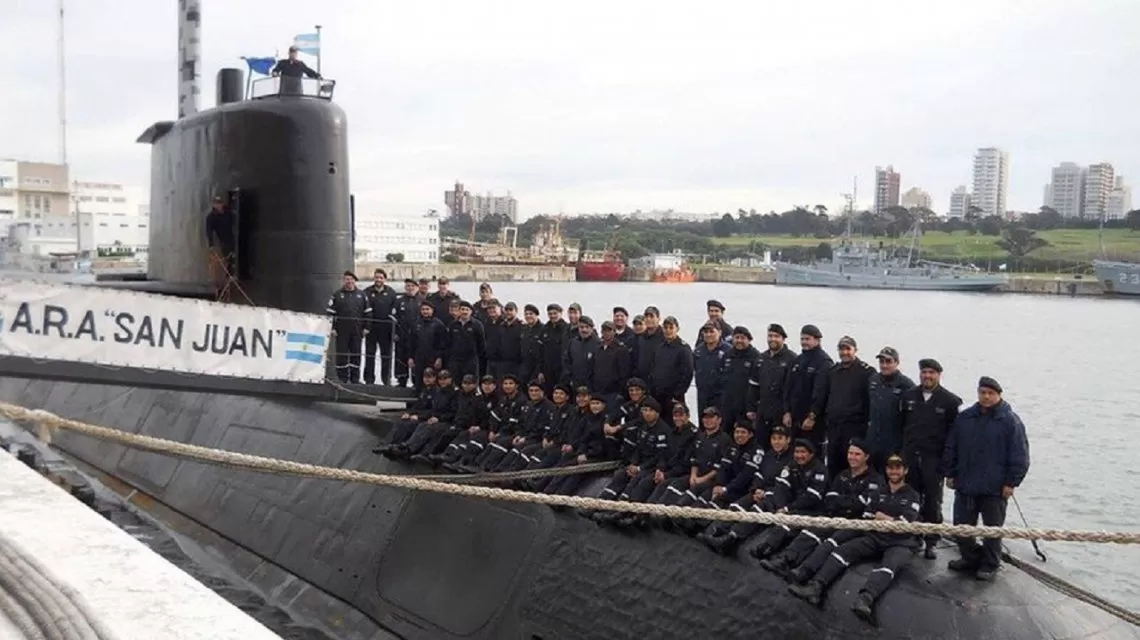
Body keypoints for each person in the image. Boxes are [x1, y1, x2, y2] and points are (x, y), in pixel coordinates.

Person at [786, 453, 923, 623]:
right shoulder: (878, 492)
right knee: (842, 551)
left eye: (898, 468)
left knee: (889, 565)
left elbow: (905, 523)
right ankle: (816, 587)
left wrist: (882, 517)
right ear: (887, 470)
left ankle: (865, 598)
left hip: (900, 543)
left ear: (905, 471)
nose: (894, 472)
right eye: (891, 468)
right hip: (875, 536)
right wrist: (886, 520)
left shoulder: (913, 495)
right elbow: (867, 516)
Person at [943, 376, 1030, 581]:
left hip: (994, 487)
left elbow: (1020, 455)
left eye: (990, 393)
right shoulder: (965, 418)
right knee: (961, 527)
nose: (986, 397)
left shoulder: (1010, 422)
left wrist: (1011, 482)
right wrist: (950, 472)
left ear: (999, 395)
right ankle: (970, 558)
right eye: (983, 393)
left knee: (991, 530)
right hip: (966, 484)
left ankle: (990, 564)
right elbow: (951, 446)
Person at [758, 438, 882, 571]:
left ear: (866, 457)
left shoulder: (875, 480)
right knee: (810, 531)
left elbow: (860, 505)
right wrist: (848, 501)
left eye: (857, 454)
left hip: (855, 523)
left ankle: (803, 571)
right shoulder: (843, 475)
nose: (852, 457)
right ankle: (785, 560)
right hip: (833, 517)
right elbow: (829, 500)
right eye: (850, 453)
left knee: (828, 541)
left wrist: (841, 500)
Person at [900, 357, 961, 559]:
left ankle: (931, 541)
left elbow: (954, 436)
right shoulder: (909, 396)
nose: (927, 376)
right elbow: (902, 427)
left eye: (931, 373)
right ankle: (914, 536)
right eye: (924, 372)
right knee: (912, 497)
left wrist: (949, 465)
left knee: (933, 501)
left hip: (933, 458)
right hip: (911, 457)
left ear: (938, 375)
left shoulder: (950, 401)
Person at [808, 335, 874, 480]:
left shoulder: (866, 372)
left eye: (848, 349)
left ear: (855, 350)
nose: (844, 352)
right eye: (841, 349)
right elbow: (823, 396)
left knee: (852, 464)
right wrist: (813, 414)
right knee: (832, 463)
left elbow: (871, 401)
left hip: (854, 427)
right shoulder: (833, 371)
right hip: (834, 427)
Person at [866, 346, 916, 471]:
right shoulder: (873, 380)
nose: (884, 365)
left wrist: (904, 450)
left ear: (897, 363)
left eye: (888, 362)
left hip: (894, 444)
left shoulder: (906, 385)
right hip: (873, 442)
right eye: (881, 362)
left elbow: (911, 420)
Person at [782, 324, 833, 445]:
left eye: (807, 339)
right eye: (802, 339)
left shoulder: (824, 362)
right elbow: (788, 387)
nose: (804, 342)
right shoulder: (797, 360)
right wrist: (786, 411)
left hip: (812, 421)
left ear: (817, 340)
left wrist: (812, 416)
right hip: (794, 418)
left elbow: (821, 392)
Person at [748, 323, 796, 445]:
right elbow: (754, 386)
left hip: (781, 412)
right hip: (763, 411)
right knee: (760, 443)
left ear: (783, 339)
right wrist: (751, 408)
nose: (772, 339)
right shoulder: (761, 359)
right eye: (770, 336)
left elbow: (793, 390)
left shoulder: (792, 359)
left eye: (776, 336)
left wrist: (788, 412)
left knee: (780, 444)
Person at [326, 271, 371, 383]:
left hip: (357, 330)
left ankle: (355, 379)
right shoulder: (337, 295)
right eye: (347, 279)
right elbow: (330, 313)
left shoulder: (362, 295)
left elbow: (368, 313)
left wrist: (367, 328)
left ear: (354, 281)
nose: (349, 281)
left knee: (356, 354)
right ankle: (343, 379)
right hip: (341, 330)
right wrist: (332, 328)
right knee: (342, 354)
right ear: (344, 280)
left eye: (351, 279)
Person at [717, 326, 761, 432]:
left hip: (745, 406)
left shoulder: (756, 357)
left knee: (744, 434)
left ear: (749, 340)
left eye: (742, 338)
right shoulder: (727, 355)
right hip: (727, 405)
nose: (739, 341)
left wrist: (753, 407)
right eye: (737, 338)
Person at [648, 316, 694, 411]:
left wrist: (678, 394)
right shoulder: (659, 347)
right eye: (665, 328)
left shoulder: (683, 348)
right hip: (658, 395)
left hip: (674, 397)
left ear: (677, 329)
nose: (668, 330)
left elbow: (688, 374)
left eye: (671, 327)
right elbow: (653, 369)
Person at [362, 269, 398, 385]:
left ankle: (386, 380)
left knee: (386, 357)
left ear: (384, 279)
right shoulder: (366, 292)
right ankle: (369, 380)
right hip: (371, 329)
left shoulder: (391, 293)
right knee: (369, 355)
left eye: (381, 277)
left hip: (385, 330)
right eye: (376, 277)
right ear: (374, 278)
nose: (378, 280)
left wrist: (393, 331)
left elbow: (394, 312)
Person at [692, 323, 730, 414]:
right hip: (703, 395)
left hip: (720, 397)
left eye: (711, 331)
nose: (708, 334)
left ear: (720, 332)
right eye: (706, 332)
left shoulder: (728, 351)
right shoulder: (698, 351)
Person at [409, 300, 448, 390]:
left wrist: (439, 358)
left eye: (427, 309)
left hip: (433, 358)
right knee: (418, 381)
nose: (425, 311)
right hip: (419, 357)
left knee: (433, 382)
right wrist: (410, 357)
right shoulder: (416, 323)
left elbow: (442, 343)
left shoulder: (439, 324)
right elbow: (411, 342)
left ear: (432, 310)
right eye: (423, 309)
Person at [591, 321, 631, 403]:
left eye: (609, 330)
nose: (607, 333)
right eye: (604, 330)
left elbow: (624, 373)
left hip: (613, 392)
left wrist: (620, 393)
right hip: (597, 391)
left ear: (614, 331)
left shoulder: (621, 349)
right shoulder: (597, 348)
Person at [392, 279, 423, 387]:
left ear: (417, 288)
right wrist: (395, 333)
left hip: (416, 336)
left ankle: (416, 381)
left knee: (416, 358)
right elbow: (394, 319)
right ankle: (401, 381)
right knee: (401, 358)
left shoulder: (422, 301)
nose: (410, 288)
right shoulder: (399, 301)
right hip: (402, 335)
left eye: (412, 286)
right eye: (408, 286)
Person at [445, 301, 486, 381]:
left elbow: (481, 344)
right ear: (459, 311)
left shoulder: (477, 325)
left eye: (467, 310)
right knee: (456, 383)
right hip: (455, 361)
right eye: (462, 309)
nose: (464, 312)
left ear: (471, 311)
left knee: (470, 383)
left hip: (471, 361)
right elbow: (448, 342)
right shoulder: (453, 325)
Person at [562, 316, 600, 388]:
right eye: (581, 327)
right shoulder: (573, 343)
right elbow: (566, 361)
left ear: (592, 328)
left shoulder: (598, 344)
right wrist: (570, 378)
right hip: (575, 384)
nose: (584, 330)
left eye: (587, 327)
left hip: (592, 386)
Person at [204, 195, 236, 278]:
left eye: (220, 203)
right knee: (227, 255)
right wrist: (211, 244)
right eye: (217, 203)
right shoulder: (211, 217)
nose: (219, 205)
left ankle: (231, 274)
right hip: (224, 241)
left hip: (233, 238)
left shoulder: (229, 213)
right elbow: (209, 231)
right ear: (214, 205)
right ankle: (229, 276)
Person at [540, 304, 569, 394]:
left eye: (555, 313)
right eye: (550, 314)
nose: (552, 316)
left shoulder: (566, 329)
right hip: (547, 369)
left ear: (561, 313)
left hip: (561, 369)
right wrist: (540, 371)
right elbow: (541, 351)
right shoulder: (545, 329)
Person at [519, 304, 545, 384]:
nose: (528, 316)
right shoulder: (524, 329)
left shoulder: (543, 329)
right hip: (525, 366)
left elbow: (546, 352)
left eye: (531, 314)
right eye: (526, 314)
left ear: (536, 315)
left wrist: (541, 371)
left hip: (538, 366)